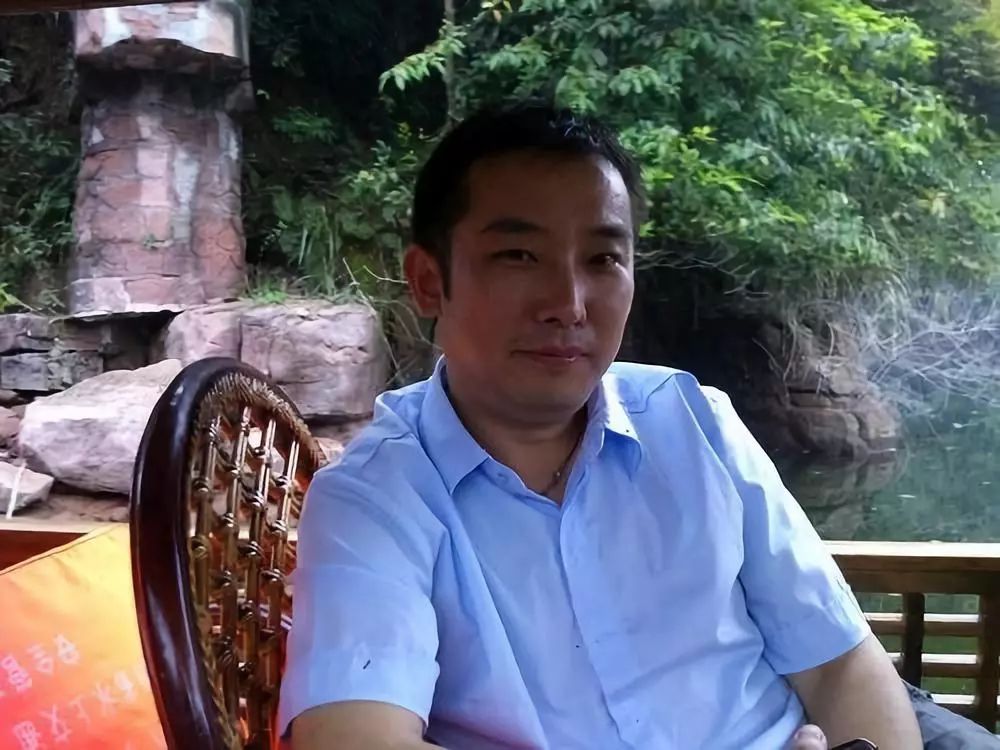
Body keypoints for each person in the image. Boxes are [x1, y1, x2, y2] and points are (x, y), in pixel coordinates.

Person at [278, 102, 925, 749]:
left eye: (602, 259)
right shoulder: (375, 496)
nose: (567, 304)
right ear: (427, 282)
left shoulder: (695, 422)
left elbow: (839, 662)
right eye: (518, 255)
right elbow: (353, 739)